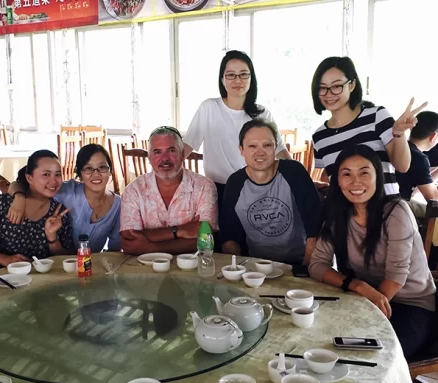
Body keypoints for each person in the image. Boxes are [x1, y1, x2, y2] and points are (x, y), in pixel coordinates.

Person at [309, 145, 436, 359]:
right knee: (317, 339)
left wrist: (365, 307)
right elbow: (317, 264)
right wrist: (356, 285)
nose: (355, 182)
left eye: (364, 173)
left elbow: (396, 277)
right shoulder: (337, 213)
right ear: (337, 181)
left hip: (409, 304)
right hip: (362, 297)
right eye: (346, 174)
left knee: (376, 357)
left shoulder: (396, 211)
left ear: (378, 177)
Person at [183, 50, 291, 209]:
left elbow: (280, 152)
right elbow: (186, 147)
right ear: (222, 79)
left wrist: (298, 178)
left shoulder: (262, 113)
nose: (237, 80)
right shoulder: (209, 108)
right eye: (231, 75)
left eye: (243, 74)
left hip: (256, 189)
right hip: (216, 190)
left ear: (251, 78)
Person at [311, 56, 427, 195]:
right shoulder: (319, 137)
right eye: (322, 88)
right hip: (346, 214)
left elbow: (403, 166)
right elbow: (331, 179)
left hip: (386, 209)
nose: (329, 94)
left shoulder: (377, 116)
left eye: (336, 86)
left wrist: (398, 133)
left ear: (352, 85)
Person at [220, 119, 321, 265]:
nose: (260, 152)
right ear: (241, 150)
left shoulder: (294, 172)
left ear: (275, 147)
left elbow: (315, 229)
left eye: (267, 145)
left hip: (298, 262)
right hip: (254, 264)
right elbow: (229, 237)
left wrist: (305, 270)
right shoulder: (235, 183)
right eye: (252, 146)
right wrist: (239, 268)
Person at [120, 126, 218, 255]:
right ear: (149, 157)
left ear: (182, 154)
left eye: (171, 150)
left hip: (192, 266)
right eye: (157, 152)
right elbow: (130, 239)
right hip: (145, 267)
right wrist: (179, 231)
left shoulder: (204, 186)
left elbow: (205, 241)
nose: (165, 158)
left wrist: (149, 248)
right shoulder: (134, 190)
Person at [6, 144, 120, 253]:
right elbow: (20, 183)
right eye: (88, 168)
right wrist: (19, 197)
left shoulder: (118, 204)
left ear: (110, 171)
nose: (96, 174)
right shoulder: (67, 191)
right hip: (58, 262)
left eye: (102, 167)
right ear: (79, 174)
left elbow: (115, 248)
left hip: (91, 267)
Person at [0, 150, 74, 268]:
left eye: (58, 174)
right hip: (2, 279)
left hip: (41, 281)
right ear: (29, 178)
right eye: (46, 174)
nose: (53, 181)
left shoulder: (58, 213)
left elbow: (64, 259)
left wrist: (52, 237)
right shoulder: (1, 206)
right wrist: (5, 260)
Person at [396, 111, 438, 202]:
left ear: (412, 129)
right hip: (400, 207)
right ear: (433, 136)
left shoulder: (400, 149)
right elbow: (435, 200)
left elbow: (417, 188)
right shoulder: (419, 158)